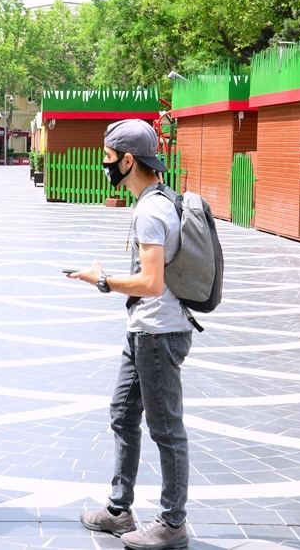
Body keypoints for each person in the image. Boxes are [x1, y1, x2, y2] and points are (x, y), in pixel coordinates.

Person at [69, 119, 193, 550]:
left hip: (159, 332)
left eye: (108, 159)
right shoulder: (155, 200)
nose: (104, 167)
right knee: (123, 412)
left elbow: (152, 283)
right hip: (144, 330)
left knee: (166, 429)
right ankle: (119, 511)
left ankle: (173, 522)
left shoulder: (151, 210)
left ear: (127, 160)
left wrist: (102, 280)